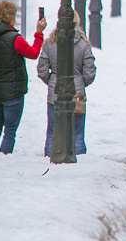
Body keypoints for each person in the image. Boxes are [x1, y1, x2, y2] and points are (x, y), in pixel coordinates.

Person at [0, 0, 45, 153]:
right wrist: (39, 33)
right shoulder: (15, 39)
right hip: (13, 92)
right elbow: (33, 53)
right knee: (9, 131)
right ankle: (3, 158)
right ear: (10, 17)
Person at [38, 12, 97, 157]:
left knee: (53, 130)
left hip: (55, 93)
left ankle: (50, 157)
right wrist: (81, 83)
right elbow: (89, 72)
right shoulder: (83, 45)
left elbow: (42, 70)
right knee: (77, 132)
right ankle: (79, 160)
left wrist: (52, 81)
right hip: (77, 94)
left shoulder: (50, 44)